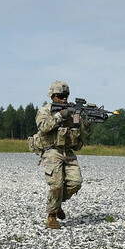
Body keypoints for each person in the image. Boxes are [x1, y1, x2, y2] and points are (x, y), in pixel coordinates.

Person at [34, 81, 92, 228]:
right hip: (52, 150)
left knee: (75, 183)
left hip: (68, 150)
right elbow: (43, 127)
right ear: (52, 96)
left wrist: (87, 123)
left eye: (66, 96)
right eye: (60, 96)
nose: (64, 99)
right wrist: (61, 115)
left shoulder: (72, 111)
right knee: (56, 185)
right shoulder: (45, 110)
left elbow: (80, 133)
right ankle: (51, 216)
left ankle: (57, 204)